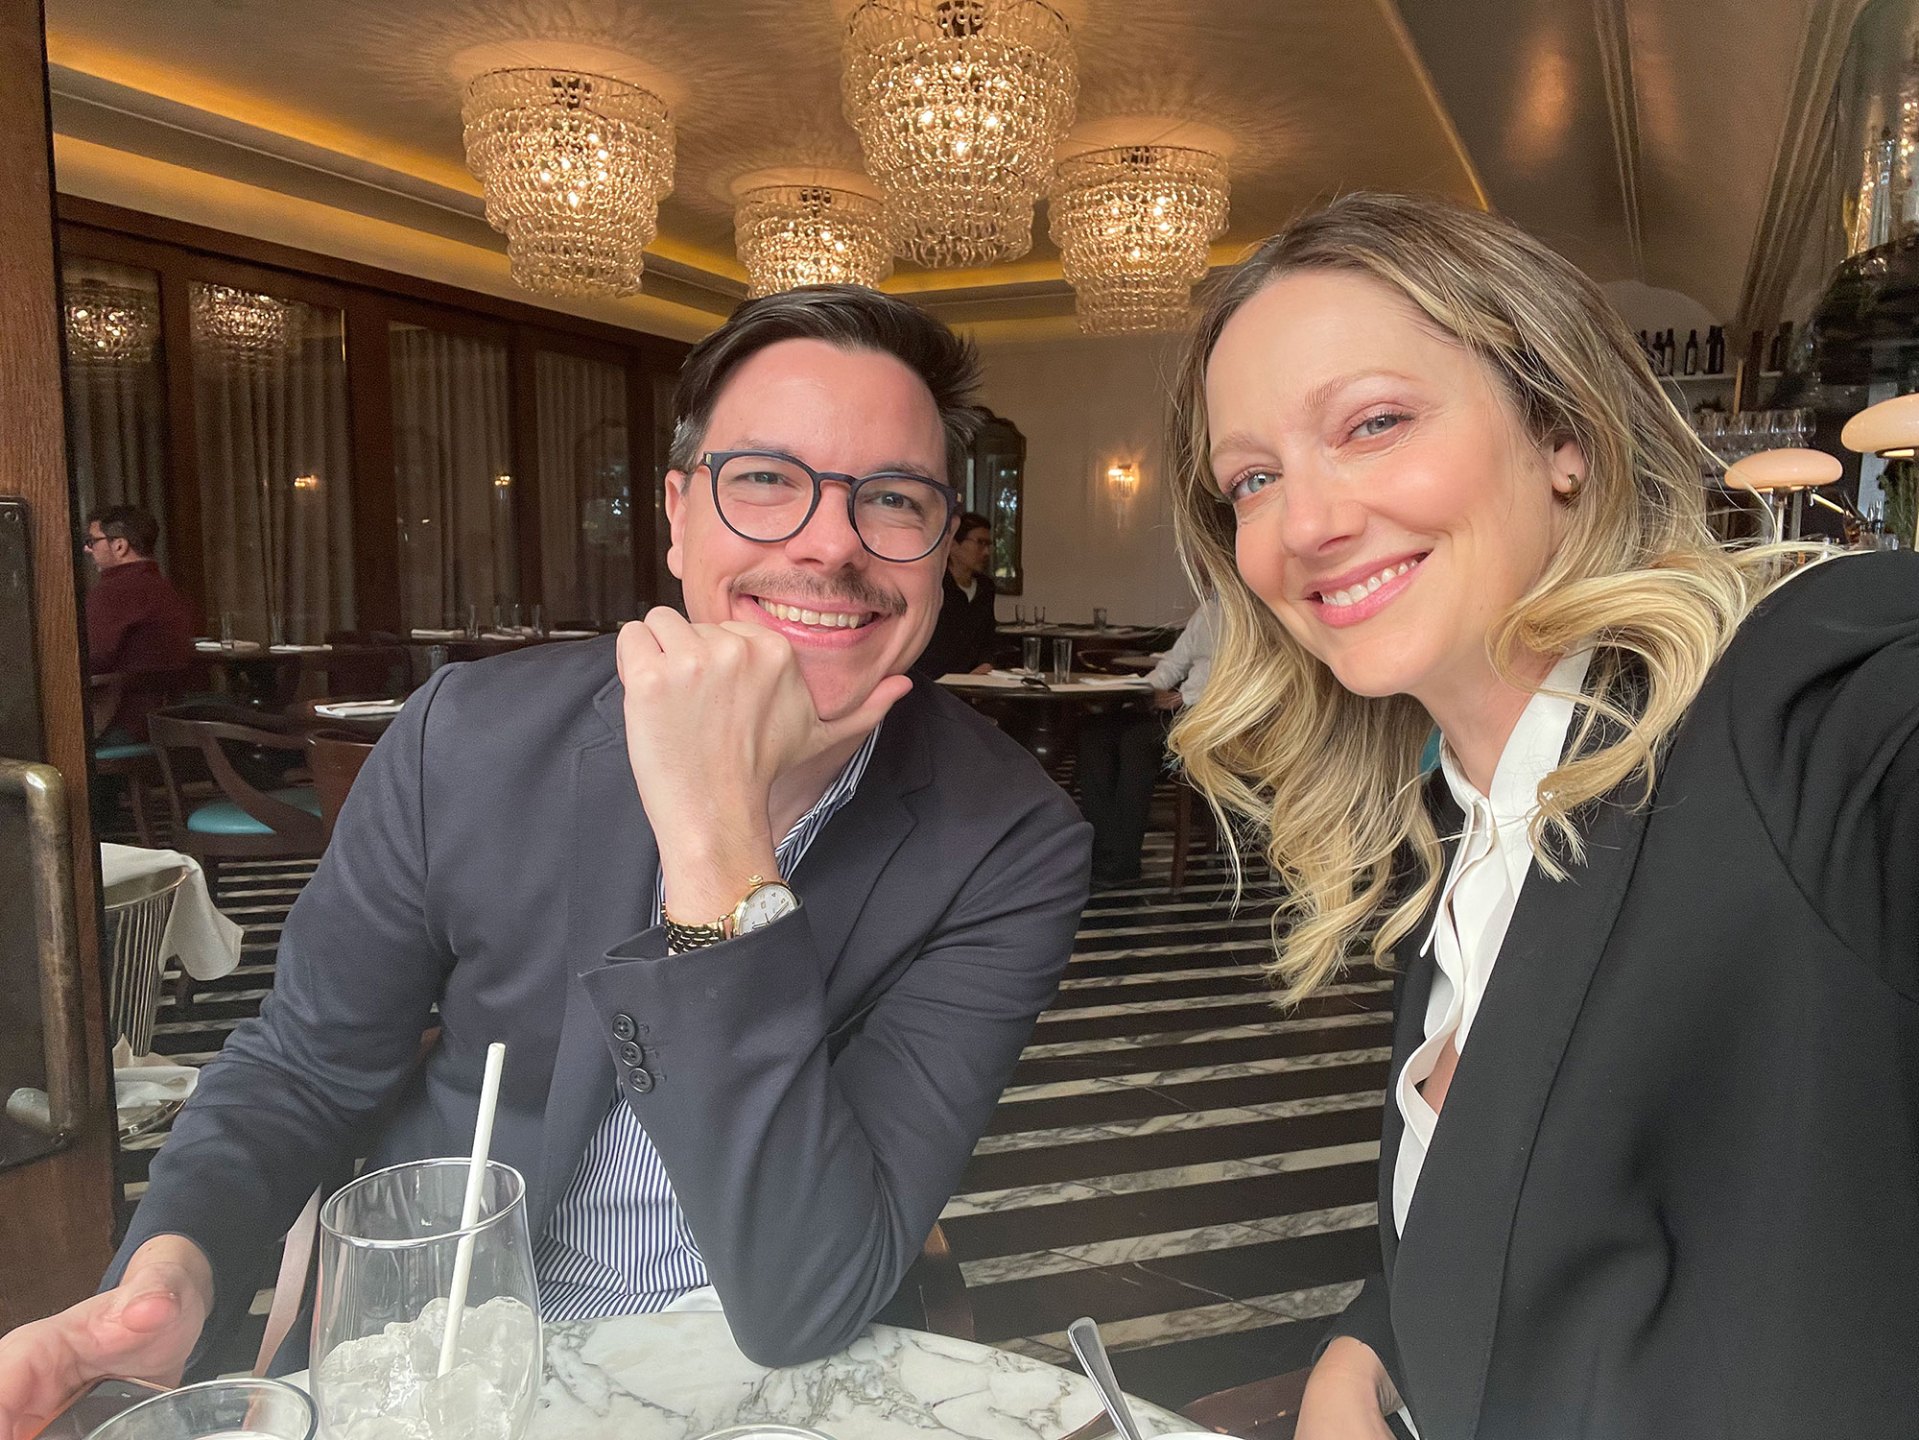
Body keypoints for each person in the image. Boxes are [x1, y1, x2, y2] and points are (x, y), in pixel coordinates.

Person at [0, 286, 1092, 1436]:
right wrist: (175, 1273)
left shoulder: (1004, 839)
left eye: (895, 498)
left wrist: (714, 837)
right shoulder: (469, 736)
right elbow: (306, 1067)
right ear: (677, 516)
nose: (831, 542)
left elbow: (803, 1297)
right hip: (451, 1357)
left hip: (780, 1382)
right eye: (767, 480)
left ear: (939, 545)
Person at [1165, 192, 1919, 1439]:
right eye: (1251, 478)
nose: (1304, 524)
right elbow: (1509, 1198)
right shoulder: (1454, 831)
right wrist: (1370, 1341)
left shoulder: (1799, 698)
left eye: (1373, 423)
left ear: (1559, 429)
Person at [1074, 597, 1218, 888]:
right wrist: (1145, 689)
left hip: (1214, 715)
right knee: (1094, 736)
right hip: (1178, 709)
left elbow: (1251, 673)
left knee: (1137, 742)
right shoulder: (1209, 610)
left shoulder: (1255, 612)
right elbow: (1174, 663)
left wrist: (1185, 697)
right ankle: (1103, 852)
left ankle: (1123, 862)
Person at [81, 504, 194, 741]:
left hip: (120, 723)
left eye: (92, 541)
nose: (87, 549)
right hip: (167, 719)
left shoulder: (113, 592)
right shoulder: (165, 588)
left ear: (119, 545)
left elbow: (89, 660)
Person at [911, 509, 997, 677]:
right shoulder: (934, 584)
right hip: (932, 677)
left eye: (989, 545)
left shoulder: (986, 588)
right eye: (980, 543)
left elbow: (988, 638)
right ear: (953, 545)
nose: (986, 552)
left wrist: (986, 663)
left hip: (974, 680)